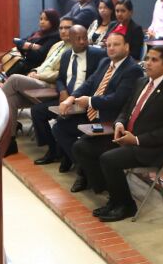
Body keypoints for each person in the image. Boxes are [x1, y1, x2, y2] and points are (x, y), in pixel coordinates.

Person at [71, 46, 163, 221]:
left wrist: (137, 140)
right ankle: (113, 194)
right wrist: (119, 123)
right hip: (126, 136)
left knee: (108, 159)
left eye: (154, 60)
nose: (148, 63)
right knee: (82, 146)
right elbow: (126, 109)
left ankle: (126, 205)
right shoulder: (141, 82)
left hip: (149, 146)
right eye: (147, 58)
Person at [47, 32, 142, 171]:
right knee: (60, 127)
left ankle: (85, 170)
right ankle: (84, 168)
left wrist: (90, 101)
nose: (111, 48)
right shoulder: (105, 62)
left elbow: (118, 99)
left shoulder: (132, 69)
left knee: (82, 143)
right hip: (92, 112)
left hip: (109, 118)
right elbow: (89, 83)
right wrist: (71, 98)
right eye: (108, 45)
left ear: (126, 47)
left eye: (116, 44)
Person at [30, 26, 104, 164]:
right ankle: (53, 150)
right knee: (37, 111)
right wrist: (63, 91)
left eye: (84, 38)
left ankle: (68, 156)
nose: (82, 41)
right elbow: (60, 78)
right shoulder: (66, 55)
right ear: (70, 40)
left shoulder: (97, 55)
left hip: (83, 102)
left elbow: (95, 81)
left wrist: (75, 98)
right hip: (66, 98)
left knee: (62, 121)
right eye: (78, 39)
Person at [0, 15, 72, 145]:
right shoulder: (57, 45)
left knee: (14, 79)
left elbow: (61, 74)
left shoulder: (73, 49)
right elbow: (44, 64)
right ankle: (10, 140)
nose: (63, 31)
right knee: (12, 99)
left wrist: (39, 76)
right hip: (38, 79)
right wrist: (34, 71)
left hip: (50, 85)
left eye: (67, 28)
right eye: (61, 28)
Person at [9, 7, 62, 74]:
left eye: (46, 19)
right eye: (41, 19)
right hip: (24, 63)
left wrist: (26, 47)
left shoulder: (55, 36)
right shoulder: (37, 33)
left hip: (35, 69)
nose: (42, 22)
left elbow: (39, 56)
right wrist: (32, 46)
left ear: (53, 21)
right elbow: (18, 41)